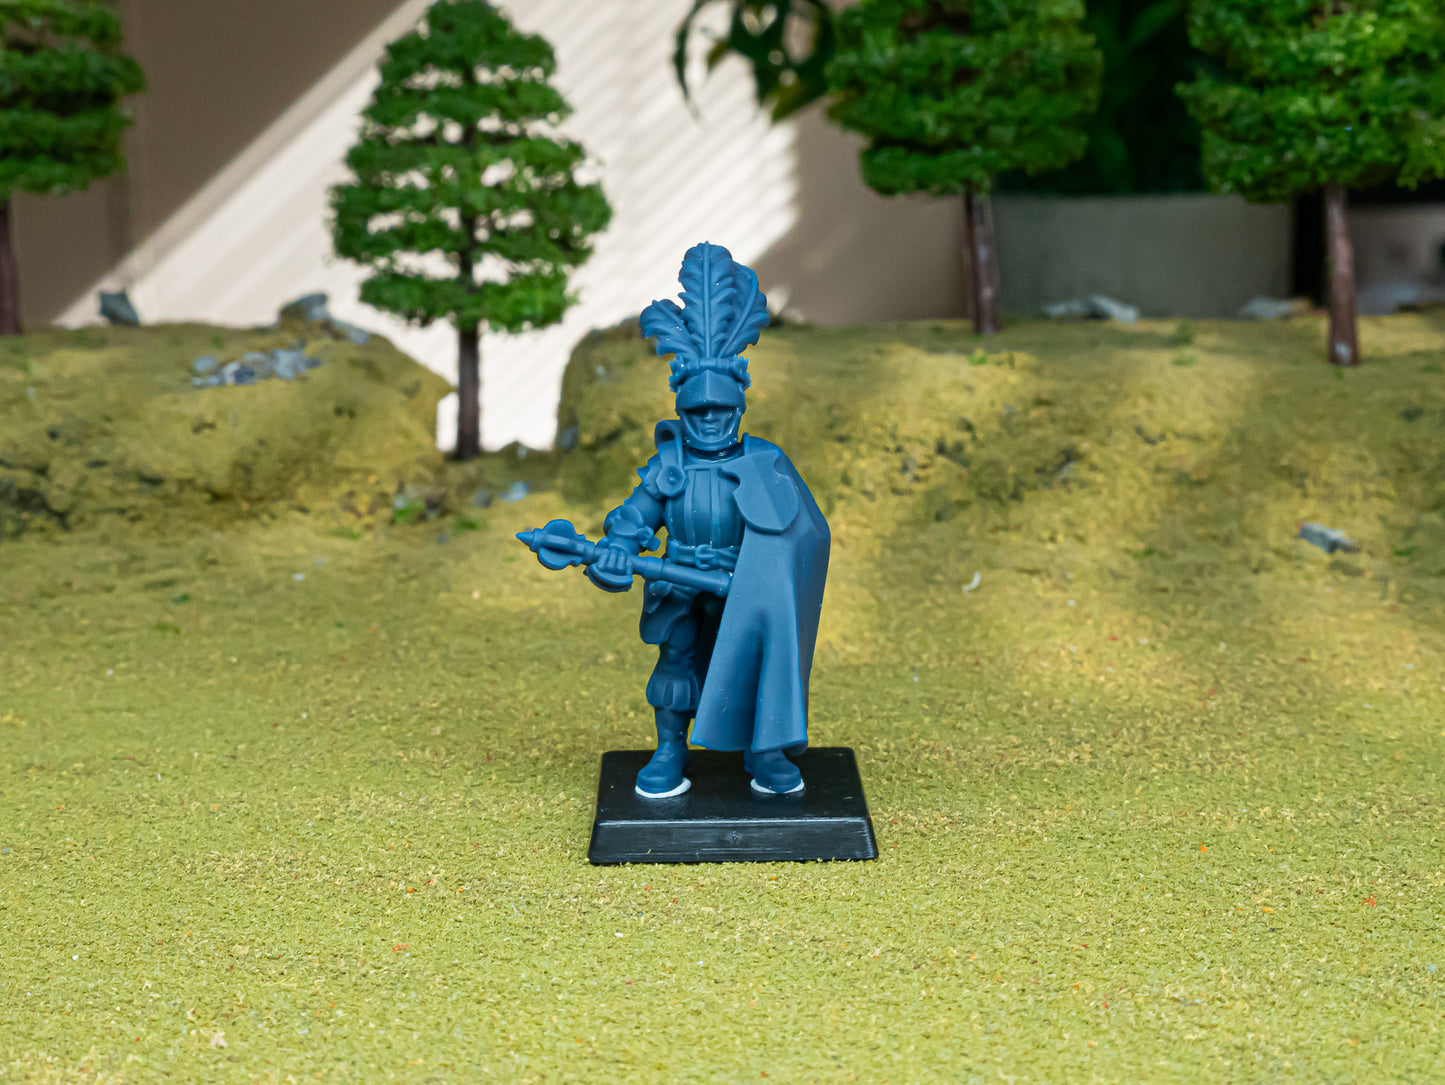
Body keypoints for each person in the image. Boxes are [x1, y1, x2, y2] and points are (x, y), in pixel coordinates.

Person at [585, 242, 830, 798]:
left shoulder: (763, 460)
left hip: (745, 588)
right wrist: (619, 546)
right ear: (682, 410)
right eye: (699, 411)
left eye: (721, 410)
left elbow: (800, 534)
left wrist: (763, 577)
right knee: (676, 664)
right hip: (678, 582)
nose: (711, 420)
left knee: (755, 663)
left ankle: (764, 750)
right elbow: (635, 516)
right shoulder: (668, 466)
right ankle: (670, 749)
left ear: (739, 407)